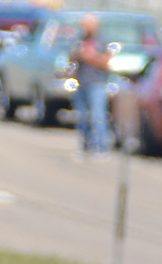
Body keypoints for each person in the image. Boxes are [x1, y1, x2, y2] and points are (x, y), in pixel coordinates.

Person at [71, 15, 113, 159]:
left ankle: (101, 146)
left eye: (88, 25)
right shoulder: (80, 40)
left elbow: (107, 63)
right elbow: (71, 57)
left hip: (97, 83)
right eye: (83, 25)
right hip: (82, 82)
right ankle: (85, 146)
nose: (85, 28)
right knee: (83, 116)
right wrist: (78, 55)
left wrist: (91, 57)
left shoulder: (103, 41)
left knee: (98, 116)